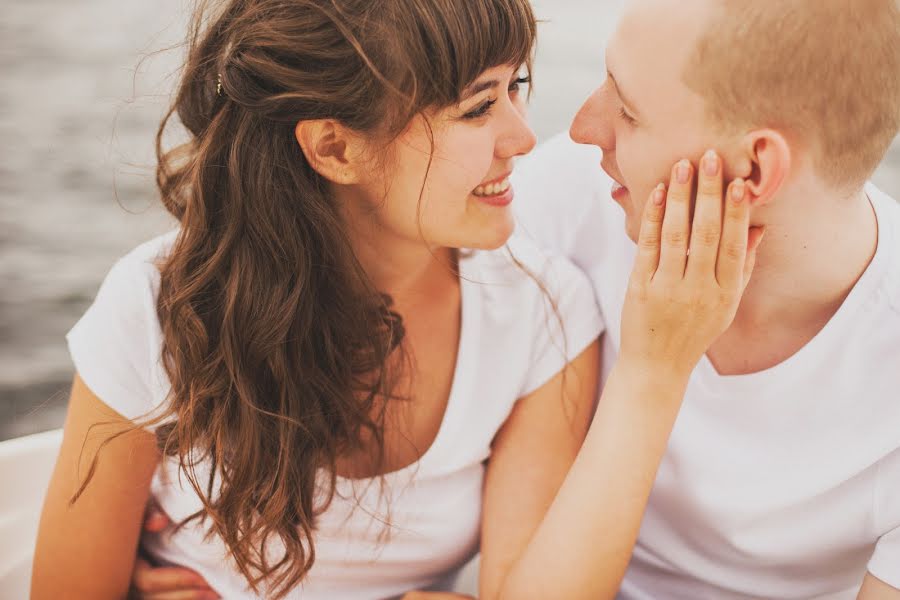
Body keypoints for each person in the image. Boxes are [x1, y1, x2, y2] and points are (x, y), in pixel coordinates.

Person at [31, 1, 759, 600]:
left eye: (517, 87)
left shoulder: (542, 313)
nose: (523, 137)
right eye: (478, 108)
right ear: (335, 150)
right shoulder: (159, 306)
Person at [512, 0, 900, 598]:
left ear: (754, 168)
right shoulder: (578, 192)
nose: (586, 128)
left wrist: (654, 367)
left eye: (629, 111)